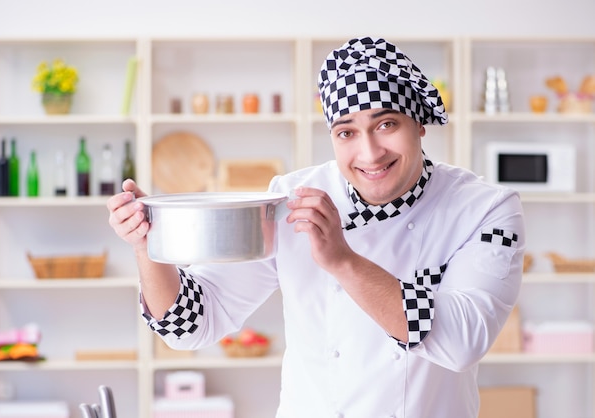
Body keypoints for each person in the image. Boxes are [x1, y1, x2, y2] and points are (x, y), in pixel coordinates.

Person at [107, 37, 525, 418]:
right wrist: (148, 244)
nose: (370, 153)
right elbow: (192, 325)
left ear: (418, 123)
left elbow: (462, 341)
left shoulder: (485, 209)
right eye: (347, 132)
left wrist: (342, 260)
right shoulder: (293, 197)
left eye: (386, 124)